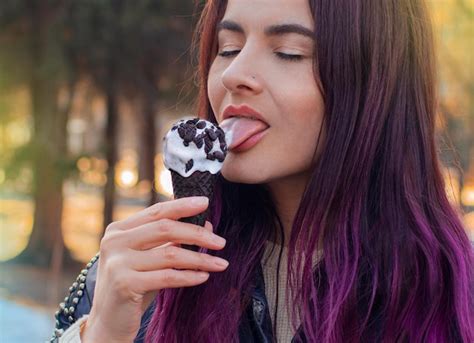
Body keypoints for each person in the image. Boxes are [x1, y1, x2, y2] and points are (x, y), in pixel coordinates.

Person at [51, 0, 474, 342]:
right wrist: (102, 332)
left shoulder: (453, 296)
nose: (234, 74)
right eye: (228, 48)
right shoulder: (140, 275)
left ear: (378, 83)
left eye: (289, 52)